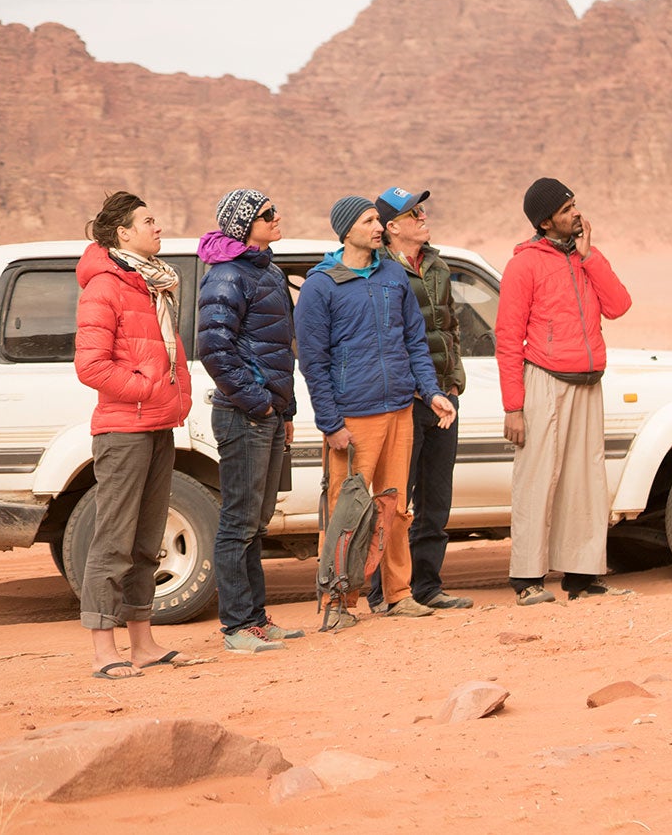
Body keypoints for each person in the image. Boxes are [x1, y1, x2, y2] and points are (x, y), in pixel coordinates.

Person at [295, 196, 458, 631]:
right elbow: (314, 362)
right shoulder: (321, 285)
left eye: (377, 219)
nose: (377, 226)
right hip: (355, 417)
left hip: (401, 410)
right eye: (368, 220)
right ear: (346, 230)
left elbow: (415, 343)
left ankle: (398, 594)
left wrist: (430, 392)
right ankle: (339, 601)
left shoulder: (392, 275)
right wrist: (331, 424)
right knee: (346, 512)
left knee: (396, 506)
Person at [74, 191, 196, 679]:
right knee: (114, 540)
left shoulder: (151, 283)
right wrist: (146, 388)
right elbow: (91, 365)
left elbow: (165, 350)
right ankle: (105, 650)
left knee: (148, 540)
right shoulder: (105, 287)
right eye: (149, 221)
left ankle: (142, 644)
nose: (158, 227)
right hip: (124, 429)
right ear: (123, 233)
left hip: (158, 424)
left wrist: (175, 397)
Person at [495, 178, 633, 606]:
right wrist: (513, 407)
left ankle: (584, 576)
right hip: (545, 382)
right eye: (567, 207)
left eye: (576, 204)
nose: (577, 213)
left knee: (586, 479)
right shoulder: (524, 266)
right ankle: (527, 578)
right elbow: (507, 338)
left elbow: (619, 305)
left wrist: (591, 258)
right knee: (537, 477)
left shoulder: (584, 260)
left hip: (588, 383)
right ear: (545, 220)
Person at [196, 189, 304, 654]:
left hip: (271, 415)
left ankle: (257, 619)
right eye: (267, 214)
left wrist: (286, 411)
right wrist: (258, 403)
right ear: (244, 226)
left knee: (257, 523)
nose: (277, 217)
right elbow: (214, 349)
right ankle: (237, 626)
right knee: (238, 521)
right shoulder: (226, 276)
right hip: (245, 416)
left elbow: (282, 351)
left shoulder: (268, 270)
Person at [364, 185, 472, 612]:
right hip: (405, 401)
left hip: (443, 397)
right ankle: (381, 592)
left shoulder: (438, 265)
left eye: (423, 210)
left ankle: (426, 585)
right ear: (392, 227)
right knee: (394, 499)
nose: (424, 217)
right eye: (414, 213)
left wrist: (454, 381)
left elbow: (450, 327)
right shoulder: (379, 271)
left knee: (435, 498)